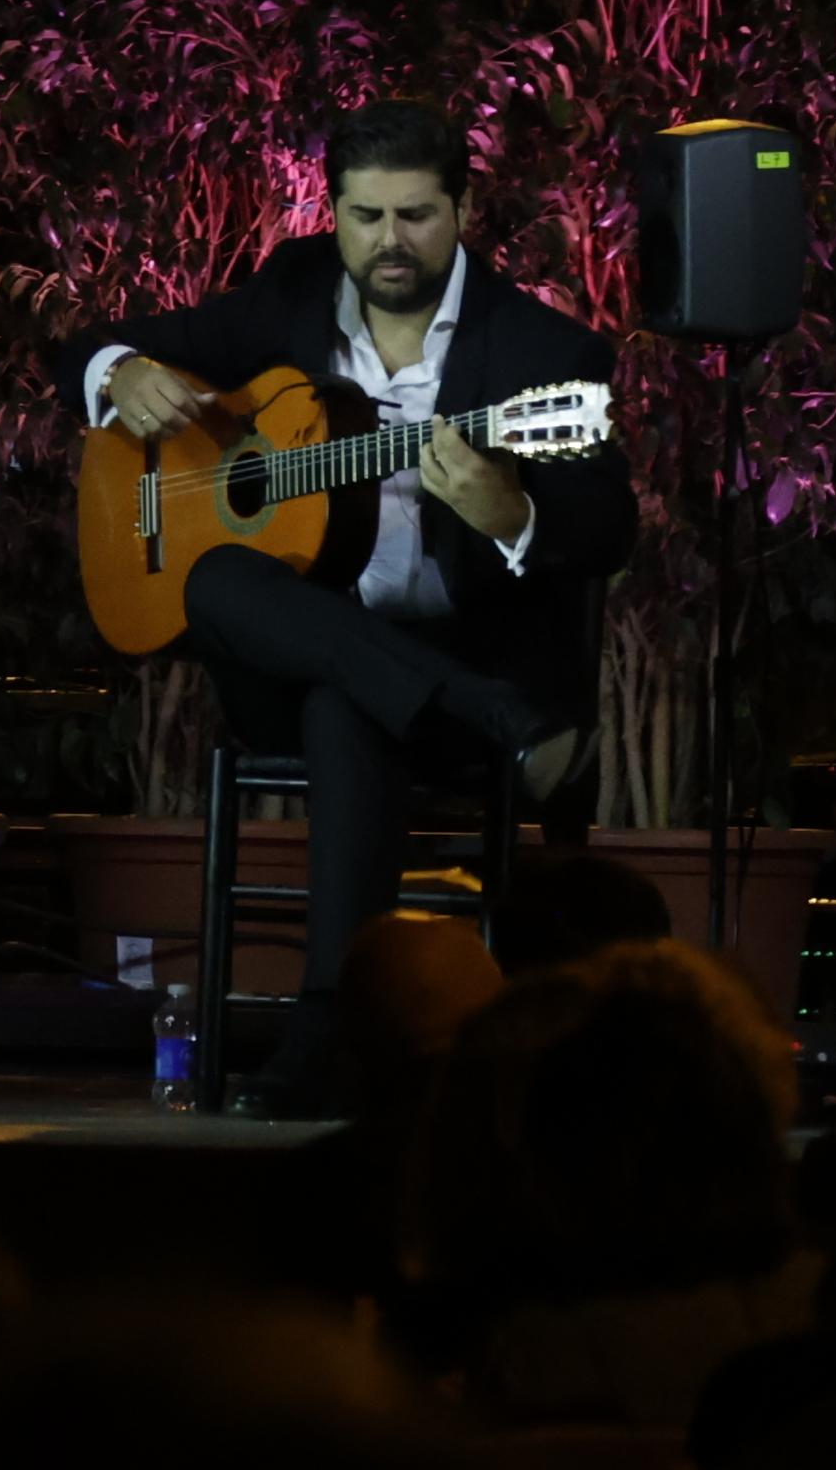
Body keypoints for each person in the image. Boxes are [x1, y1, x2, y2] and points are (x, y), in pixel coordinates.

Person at [59, 97, 635, 1105]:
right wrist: (126, 372)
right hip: (386, 686)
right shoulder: (287, 296)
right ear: (331, 211)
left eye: (414, 214)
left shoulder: (543, 354)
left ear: (460, 208)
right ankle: (493, 716)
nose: (388, 242)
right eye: (365, 216)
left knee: (349, 693)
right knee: (215, 578)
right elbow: (87, 345)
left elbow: (608, 526)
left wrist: (511, 514)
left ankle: (327, 1032)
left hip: (440, 663)